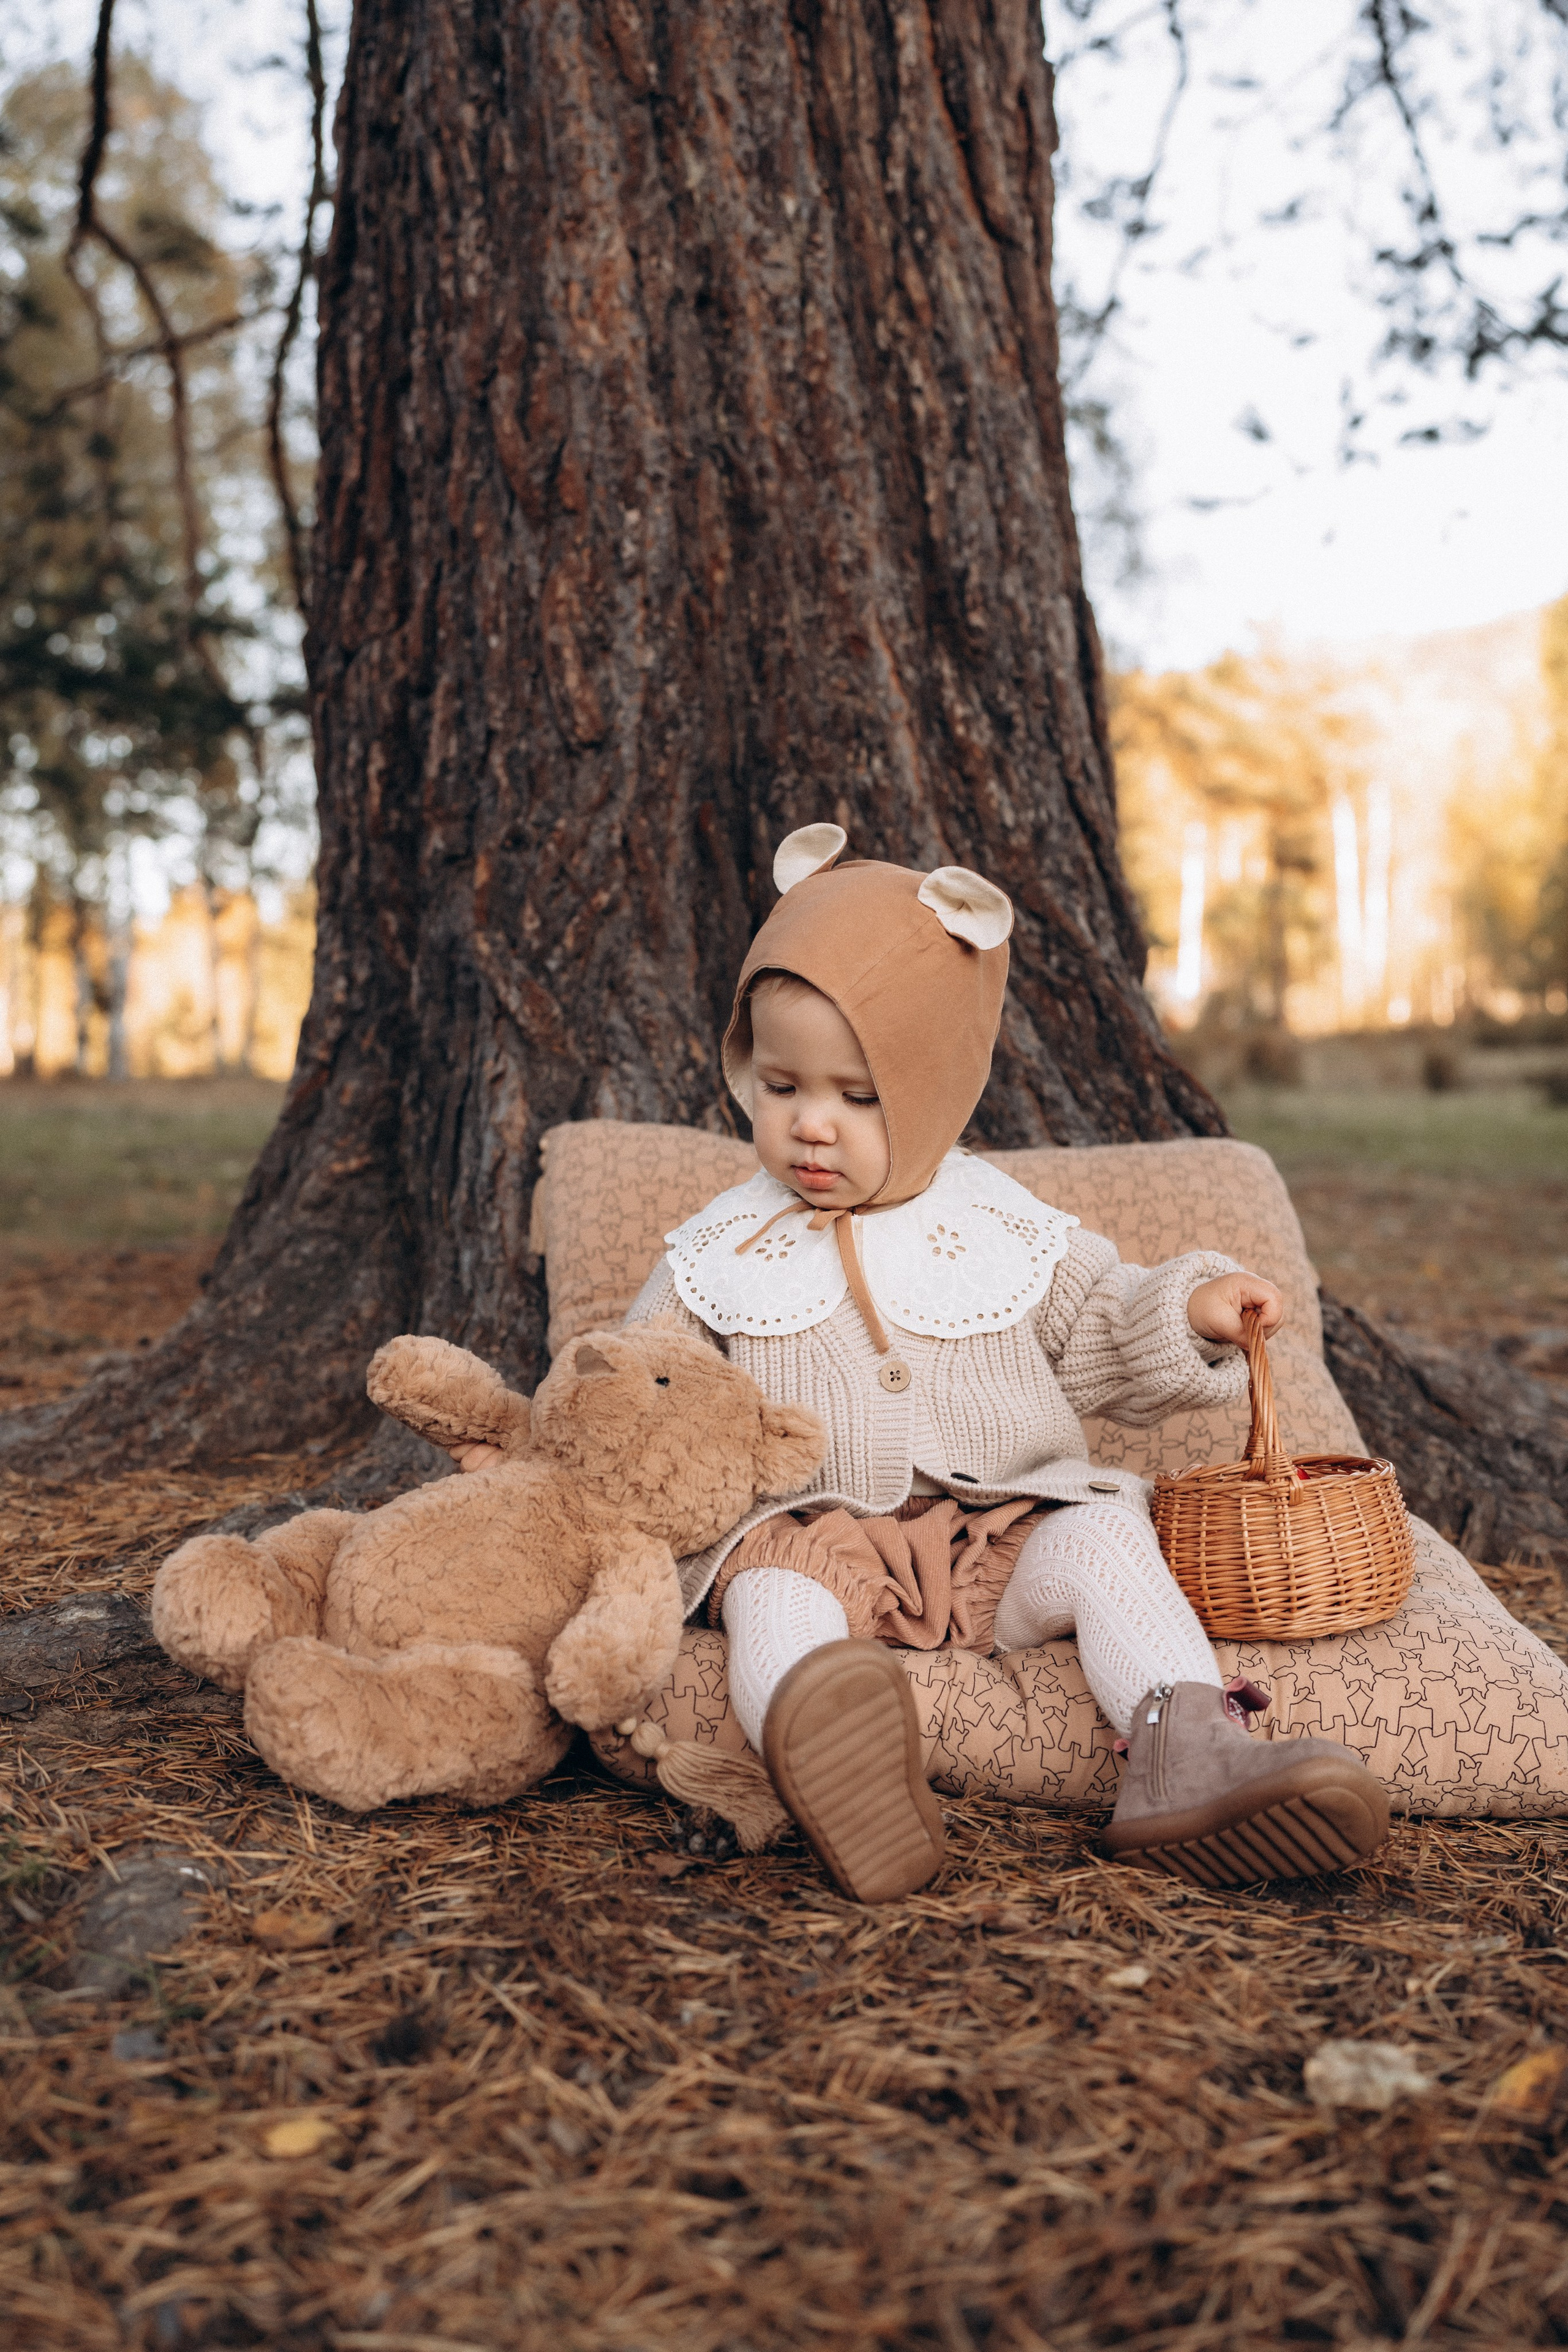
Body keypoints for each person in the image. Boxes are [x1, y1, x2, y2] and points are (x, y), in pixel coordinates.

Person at [478, 826, 1390, 1901]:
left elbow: (1104, 1318)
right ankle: (827, 1761)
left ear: (937, 1089)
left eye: (859, 1098)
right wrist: (575, 1449)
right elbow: (644, 1387)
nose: (812, 1126)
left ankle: (1185, 1755)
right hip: (815, 1536)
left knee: (1105, 1537)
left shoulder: (1001, 1223)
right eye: (780, 1088)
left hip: (998, 1537)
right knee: (771, 1599)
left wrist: (1191, 1307)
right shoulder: (718, 1246)